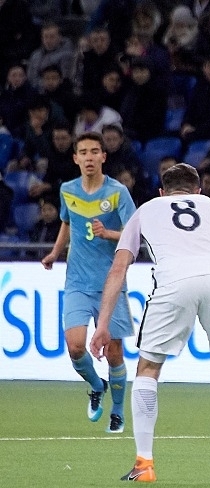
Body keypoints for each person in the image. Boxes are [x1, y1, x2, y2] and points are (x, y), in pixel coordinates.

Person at [89, 163, 210, 482]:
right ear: (198, 190)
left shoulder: (145, 210)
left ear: (162, 192)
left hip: (173, 283)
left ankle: (144, 464)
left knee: (148, 368)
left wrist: (103, 324)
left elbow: (118, 268)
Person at [41, 131, 136, 433]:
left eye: (95, 151)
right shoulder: (67, 190)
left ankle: (117, 412)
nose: (89, 157)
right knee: (75, 347)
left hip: (111, 283)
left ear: (103, 157)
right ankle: (97, 385)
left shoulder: (117, 192)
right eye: (83, 152)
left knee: (115, 352)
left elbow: (136, 232)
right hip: (77, 282)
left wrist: (108, 233)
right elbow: (67, 222)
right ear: (75, 158)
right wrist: (55, 252)